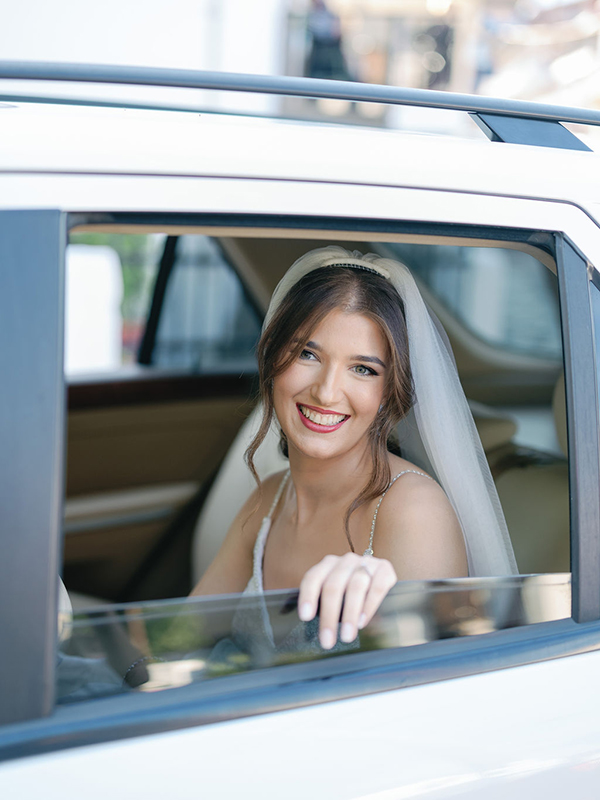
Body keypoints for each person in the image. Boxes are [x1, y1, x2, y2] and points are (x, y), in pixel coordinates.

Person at [191, 247, 517, 652]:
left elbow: (423, 692)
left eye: (363, 369)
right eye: (307, 353)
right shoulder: (266, 499)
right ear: (273, 358)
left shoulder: (414, 513)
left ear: (389, 392)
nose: (326, 392)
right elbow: (179, 636)